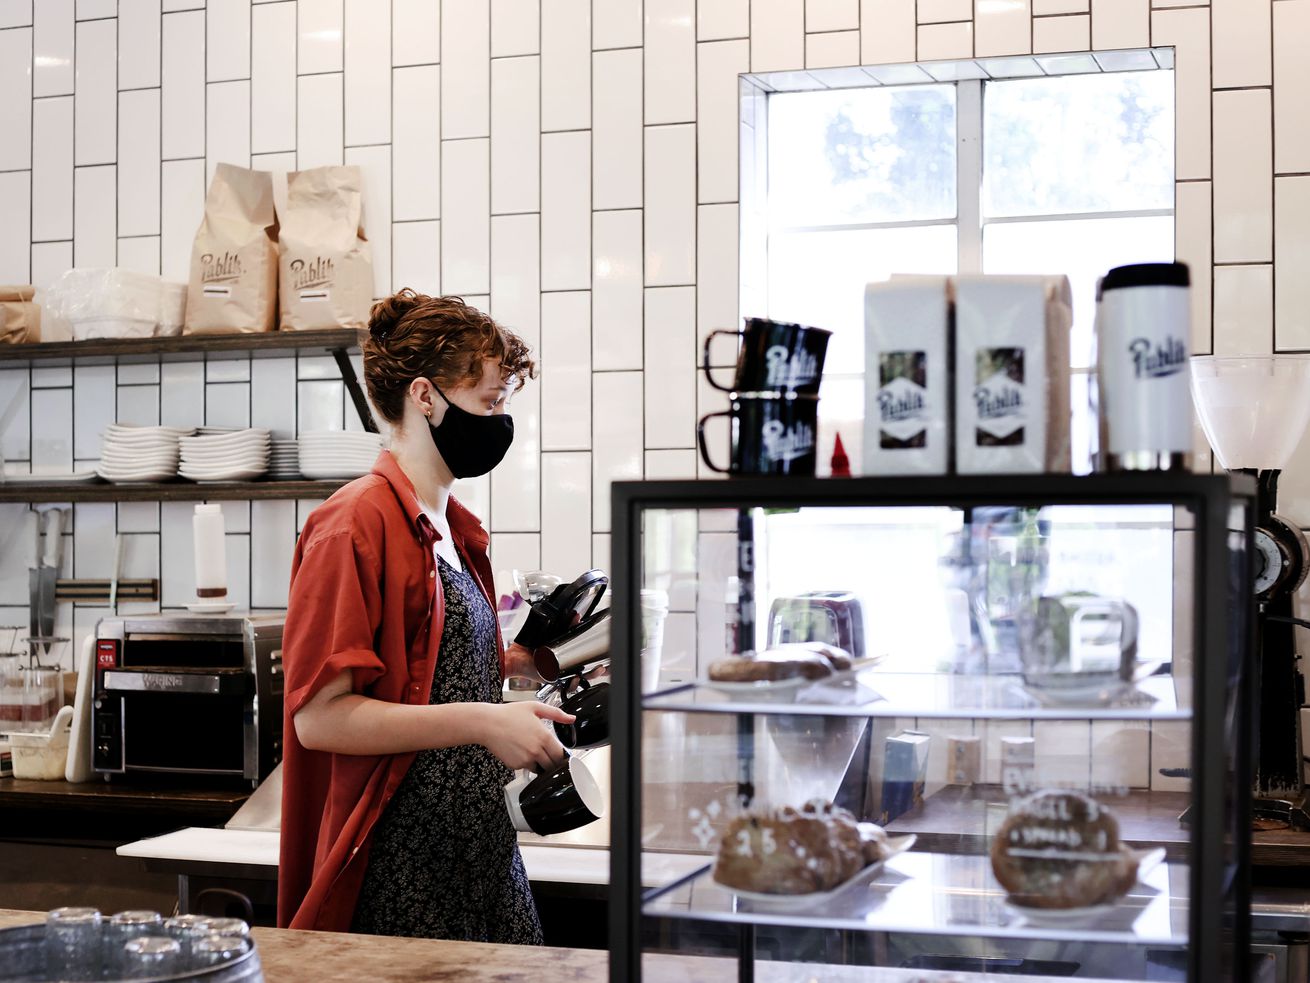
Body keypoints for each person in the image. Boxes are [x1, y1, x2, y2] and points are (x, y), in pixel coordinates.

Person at [277, 290, 573, 941]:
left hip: (481, 856)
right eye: (489, 401)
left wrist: (529, 681)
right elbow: (318, 718)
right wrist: (484, 721)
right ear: (425, 396)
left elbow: (437, 676)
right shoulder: (351, 524)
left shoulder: (456, 530)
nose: (499, 419)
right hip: (400, 868)